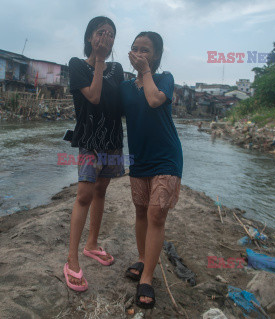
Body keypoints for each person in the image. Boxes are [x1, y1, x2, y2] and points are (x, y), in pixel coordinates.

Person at [121, 31, 183, 309]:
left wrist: (145, 71)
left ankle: (147, 277)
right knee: (141, 211)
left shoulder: (164, 79)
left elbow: (155, 100)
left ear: (156, 56)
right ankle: (144, 257)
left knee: (156, 213)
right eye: (135, 48)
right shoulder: (124, 87)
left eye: (145, 50)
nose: (139, 53)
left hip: (166, 157)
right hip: (139, 159)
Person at [63, 16, 125, 292]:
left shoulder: (118, 68)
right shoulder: (77, 65)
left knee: (101, 191)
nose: (106, 39)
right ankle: (71, 259)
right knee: (84, 195)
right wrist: (99, 61)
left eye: (111, 35)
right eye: (101, 33)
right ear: (90, 37)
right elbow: (95, 96)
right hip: (89, 141)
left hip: (112, 141)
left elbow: (118, 103)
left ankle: (91, 245)